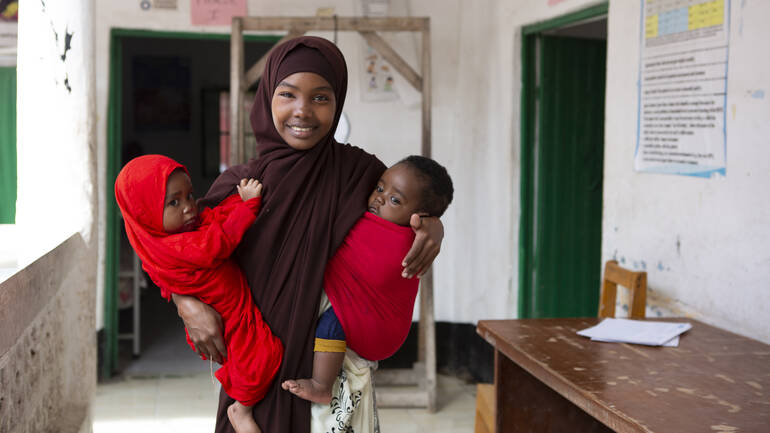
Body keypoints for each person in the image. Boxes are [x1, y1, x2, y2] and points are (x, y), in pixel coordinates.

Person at [171, 36, 445, 433]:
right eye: (288, 94)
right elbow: (171, 251)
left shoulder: (359, 174)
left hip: (329, 377)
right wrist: (186, 303)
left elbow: (410, 204)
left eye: (320, 97)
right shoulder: (240, 184)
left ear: (338, 103)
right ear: (267, 98)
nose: (303, 111)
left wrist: (434, 226)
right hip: (255, 372)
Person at [114, 155, 283, 433]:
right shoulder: (180, 247)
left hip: (232, 308)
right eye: (174, 202)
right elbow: (218, 242)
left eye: (190, 196)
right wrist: (249, 205)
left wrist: (233, 204)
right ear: (146, 213)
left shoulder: (155, 247)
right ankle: (242, 409)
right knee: (263, 359)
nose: (190, 207)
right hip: (230, 317)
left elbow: (213, 217)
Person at [281, 155, 454, 404]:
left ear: (420, 217)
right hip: (367, 317)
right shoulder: (360, 197)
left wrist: (435, 226)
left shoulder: (406, 241)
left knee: (331, 325)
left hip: (375, 322)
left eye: (395, 200)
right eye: (380, 187)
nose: (380, 198)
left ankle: (321, 385)